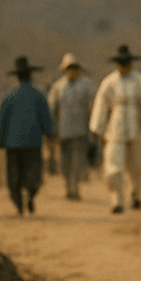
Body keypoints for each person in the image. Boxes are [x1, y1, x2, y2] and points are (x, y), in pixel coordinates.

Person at [90, 43, 141, 214]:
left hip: (139, 129)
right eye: (120, 62)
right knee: (113, 167)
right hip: (116, 129)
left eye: (126, 62)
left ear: (131, 62)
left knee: (139, 166)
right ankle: (117, 200)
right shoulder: (109, 82)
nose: (123, 65)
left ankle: (137, 196)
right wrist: (99, 130)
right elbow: (101, 105)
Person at [0, 56, 54, 216]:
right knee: (33, 173)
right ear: (30, 75)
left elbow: (1, 120)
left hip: (12, 142)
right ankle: (31, 194)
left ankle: (18, 204)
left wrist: (0, 140)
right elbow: (46, 118)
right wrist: (49, 134)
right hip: (33, 141)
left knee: (13, 175)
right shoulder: (39, 94)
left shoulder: (7, 94)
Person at [48, 53, 96, 200]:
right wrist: (52, 129)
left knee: (77, 160)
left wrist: (93, 129)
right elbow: (52, 109)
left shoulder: (87, 85)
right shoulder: (58, 87)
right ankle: (68, 186)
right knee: (64, 161)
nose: (72, 71)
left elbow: (93, 106)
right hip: (63, 131)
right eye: (69, 68)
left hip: (80, 130)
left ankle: (74, 188)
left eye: (74, 68)